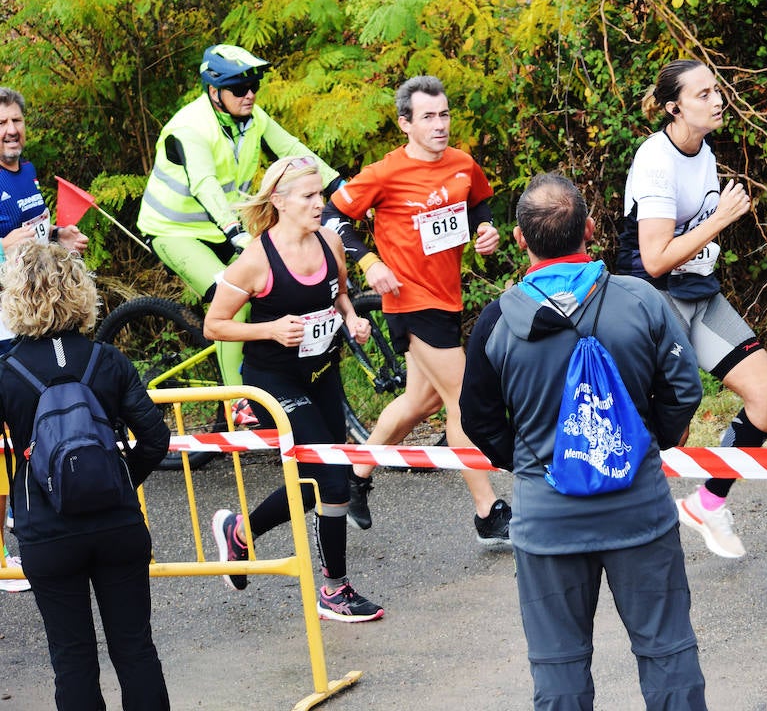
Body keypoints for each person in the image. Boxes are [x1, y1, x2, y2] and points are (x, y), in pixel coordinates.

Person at [461, 173, 707, 710]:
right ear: (591, 230)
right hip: (638, 511)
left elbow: (477, 420)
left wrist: (527, 461)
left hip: (548, 521)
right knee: (668, 650)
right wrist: (647, 445)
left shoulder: (497, 322)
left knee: (559, 668)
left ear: (521, 239)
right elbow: (684, 389)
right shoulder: (640, 300)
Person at [616, 59, 767, 559]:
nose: (718, 101)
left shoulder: (705, 152)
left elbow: (693, 244)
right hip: (654, 303)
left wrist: (714, 225)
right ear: (674, 108)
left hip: (699, 295)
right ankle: (623, 529)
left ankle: (708, 505)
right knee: (673, 428)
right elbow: (654, 259)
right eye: (703, 94)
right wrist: (721, 221)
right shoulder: (656, 159)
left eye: (718, 91)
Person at [323, 75, 509, 542]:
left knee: (419, 400)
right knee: (462, 397)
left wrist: (486, 231)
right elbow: (332, 217)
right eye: (428, 116)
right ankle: (488, 512)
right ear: (405, 123)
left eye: (444, 114)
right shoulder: (385, 173)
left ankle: (356, 474)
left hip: (447, 297)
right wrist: (368, 261)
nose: (440, 124)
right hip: (408, 300)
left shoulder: (463, 164)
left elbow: (479, 204)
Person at [204, 156, 382, 621]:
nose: (318, 204)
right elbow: (214, 325)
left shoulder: (329, 242)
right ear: (279, 202)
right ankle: (334, 590)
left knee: (312, 484)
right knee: (332, 476)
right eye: (307, 196)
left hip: (322, 373)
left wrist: (352, 320)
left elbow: (337, 294)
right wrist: (270, 330)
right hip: (273, 381)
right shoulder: (256, 260)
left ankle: (240, 533)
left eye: (320, 194)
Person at [0, 242, 171, 709]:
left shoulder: (5, 372)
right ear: (81, 292)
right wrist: (120, 482)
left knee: (72, 659)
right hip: (118, 524)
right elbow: (156, 439)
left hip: (46, 530)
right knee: (136, 650)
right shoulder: (108, 359)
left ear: (14, 297)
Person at [137, 45, 347, 390]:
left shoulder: (253, 119)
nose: (249, 95)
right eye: (238, 88)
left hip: (225, 228)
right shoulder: (189, 128)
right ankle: (240, 397)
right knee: (231, 296)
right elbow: (205, 184)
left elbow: (294, 152)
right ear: (213, 91)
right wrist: (234, 230)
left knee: (269, 289)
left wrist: (338, 184)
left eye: (254, 87)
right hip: (175, 231)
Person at [0, 86, 90, 593]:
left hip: (30, 316)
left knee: (32, 422)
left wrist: (57, 237)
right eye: (1, 124)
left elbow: (31, 233)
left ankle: (30, 514)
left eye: (16, 120)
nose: (11, 130)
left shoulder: (27, 172)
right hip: (1, 318)